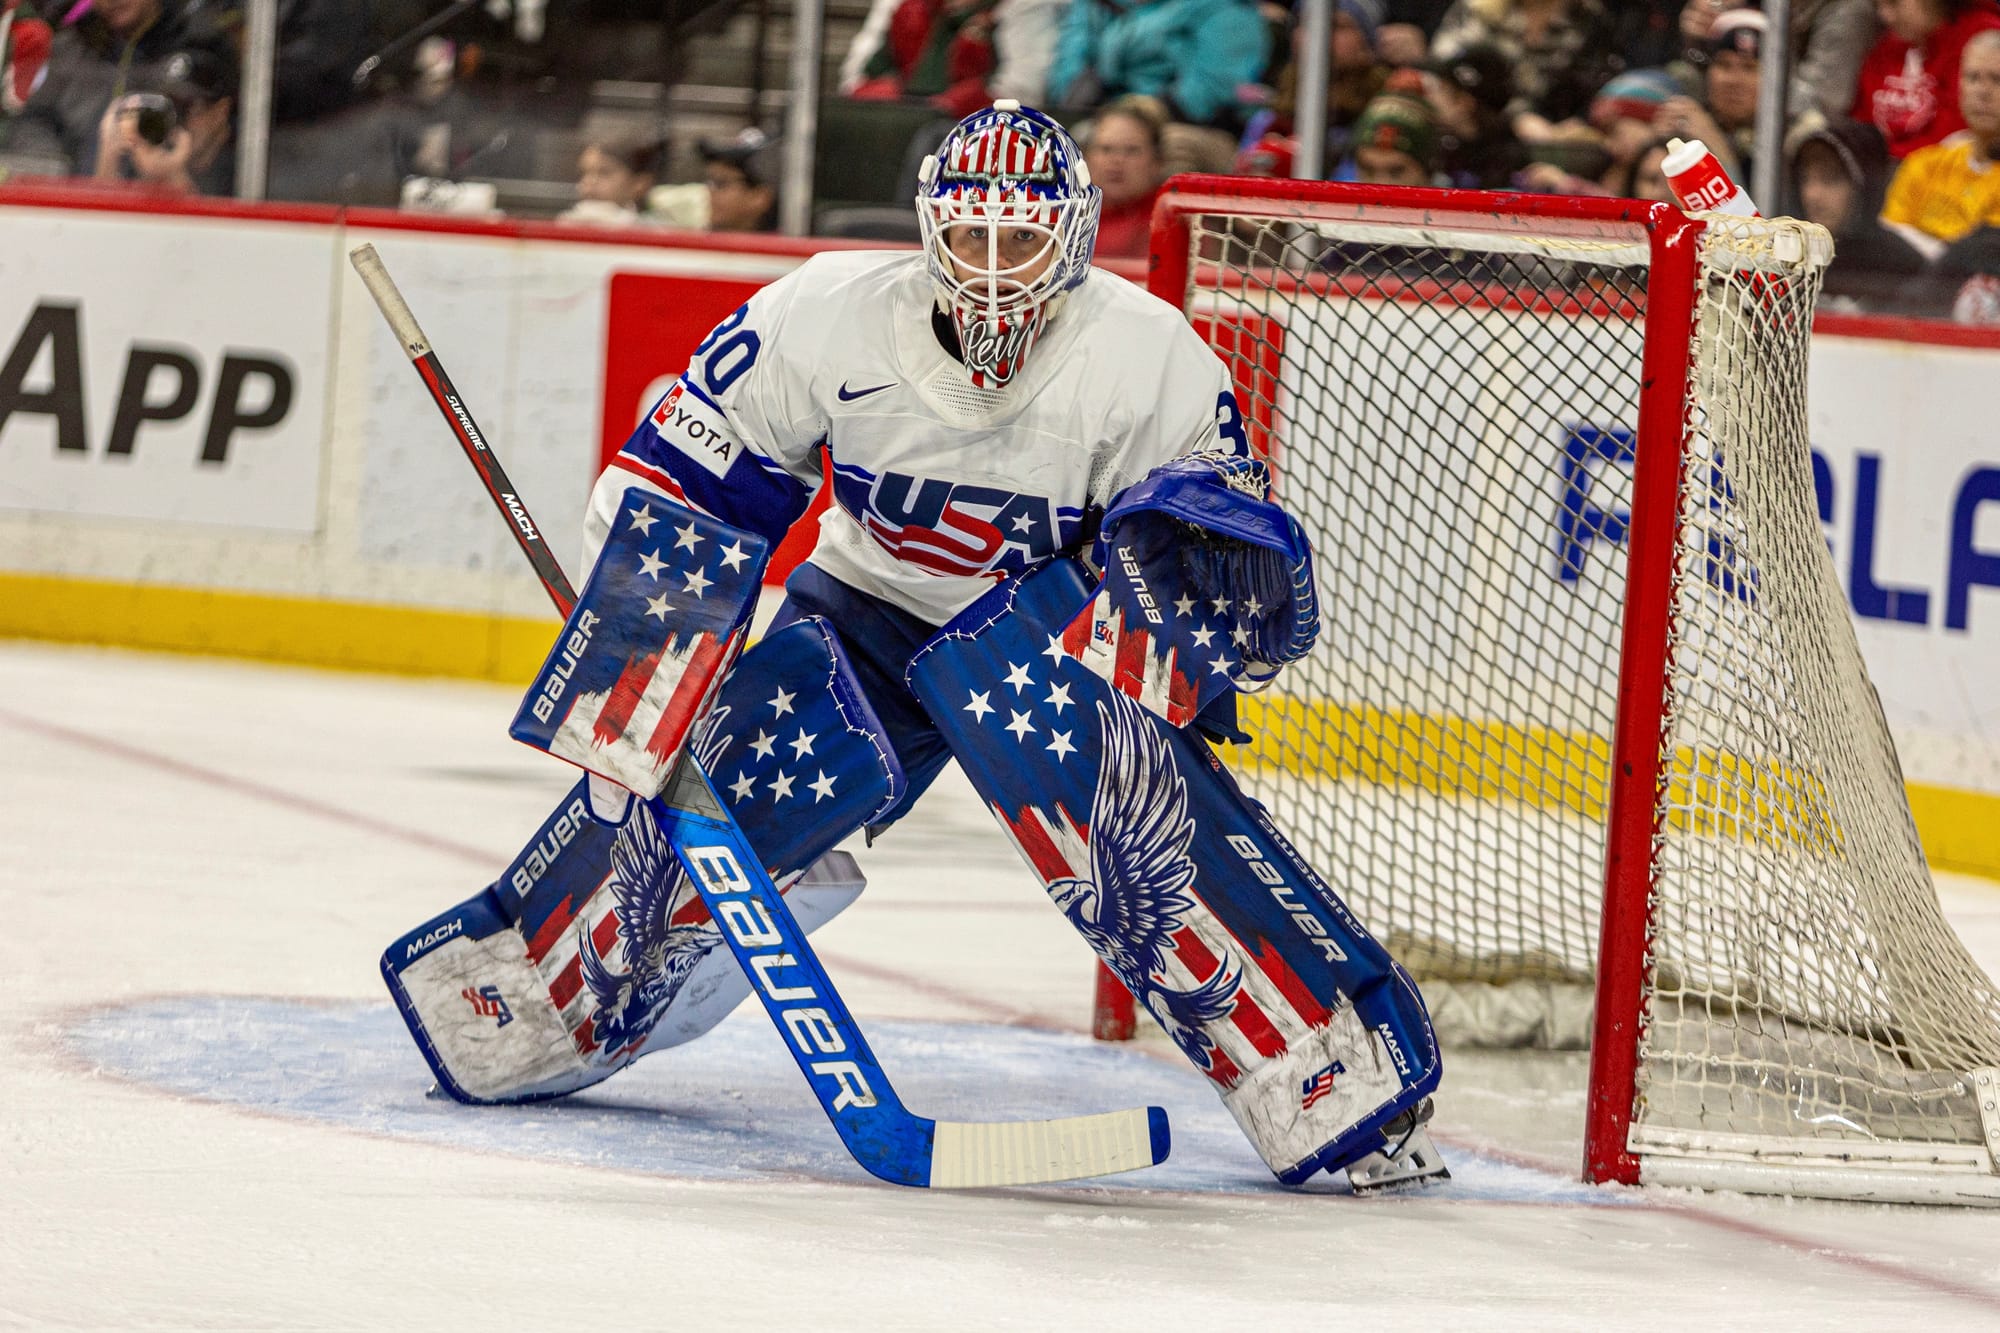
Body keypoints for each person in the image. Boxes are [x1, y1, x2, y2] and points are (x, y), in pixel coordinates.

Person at [538, 100, 1444, 1188]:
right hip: (865, 605)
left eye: (1023, 239)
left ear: (1073, 236)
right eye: (972, 237)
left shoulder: (1147, 354)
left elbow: (1199, 566)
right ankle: (557, 995)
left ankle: (1343, 1084)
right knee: (700, 812)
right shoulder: (823, 311)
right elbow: (681, 485)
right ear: (932, 229)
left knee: (1139, 850)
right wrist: (638, 657)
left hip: (1045, 628)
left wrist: (1186, 660)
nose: (995, 268)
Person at [6, 0, 203, 174]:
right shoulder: (69, 47)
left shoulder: (198, 49)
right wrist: (58, 175)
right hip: (76, 198)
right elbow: (34, 123)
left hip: (163, 198)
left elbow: (204, 153)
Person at [1428, 0, 1621, 142]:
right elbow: (1442, 71)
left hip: (1554, 133)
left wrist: (1579, 123)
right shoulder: (1478, 9)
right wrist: (1515, 119)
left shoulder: (1589, 18)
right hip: (1478, 123)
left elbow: (1595, 85)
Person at [1880, 27, 2000, 251]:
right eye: (1973, 77)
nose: (1983, 91)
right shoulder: (1925, 164)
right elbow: (1888, 242)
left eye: (1997, 79)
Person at [1788, 118, 1929, 306]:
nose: (1811, 194)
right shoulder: (1784, 258)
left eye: (1830, 179)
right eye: (1804, 179)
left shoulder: (1904, 269)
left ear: (1866, 188)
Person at [1852, 0, 2000, 158]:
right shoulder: (1888, 45)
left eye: (1894, 3)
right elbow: (1862, 122)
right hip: (1883, 163)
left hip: (1944, 165)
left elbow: (1953, 137)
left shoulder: (1980, 40)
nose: (1885, 16)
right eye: (1877, 5)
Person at [89, 40, 234, 195]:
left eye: (189, 108)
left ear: (220, 111)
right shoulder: (148, 152)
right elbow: (103, 207)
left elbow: (219, 209)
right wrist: (109, 158)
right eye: (169, 106)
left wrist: (171, 176)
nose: (176, 119)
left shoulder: (242, 167)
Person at [1655, 8, 1764, 183]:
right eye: (1724, 65)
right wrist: (1657, 145)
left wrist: (1714, 144)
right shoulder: (1688, 124)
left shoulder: (1791, 145)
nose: (1733, 80)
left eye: (1749, 67)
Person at [1424, 42, 1528, 187]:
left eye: (1441, 89)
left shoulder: (1508, 161)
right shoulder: (1440, 148)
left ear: (1464, 102)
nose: (1430, 96)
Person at [1081, 93, 1167, 258]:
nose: (1117, 160)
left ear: (1158, 161)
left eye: (1131, 150)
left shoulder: (1173, 222)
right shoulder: (1063, 215)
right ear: (1086, 158)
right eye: (1106, 149)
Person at [558, 130, 664, 228]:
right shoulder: (564, 225)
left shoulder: (653, 231)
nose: (589, 182)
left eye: (604, 173)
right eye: (584, 173)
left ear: (639, 184)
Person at [699, 127, 780, 233]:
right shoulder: (695, 240)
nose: (710, 191)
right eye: (710, 183)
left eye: (721, 183)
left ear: (760, 197)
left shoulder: (786, 242)